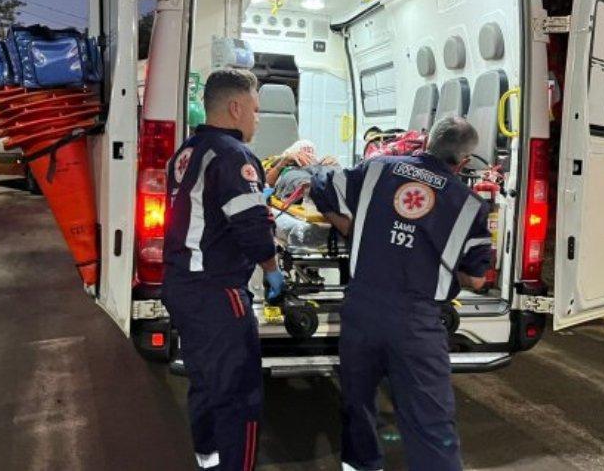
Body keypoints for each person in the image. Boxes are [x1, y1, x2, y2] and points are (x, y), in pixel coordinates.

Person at [310, 116, 491, 471]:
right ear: (465, 162)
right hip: (416, 323)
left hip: (362, 310)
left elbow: (321, 185)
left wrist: (353, 228)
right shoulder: (469, 205)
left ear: (425, 143)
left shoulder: (379, 168)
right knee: (430, 421)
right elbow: (478, 279)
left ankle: (362, 465)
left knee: (357, 401)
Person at [161, 68, 285, 471]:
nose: (257, 118)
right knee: (240, 394)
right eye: (255, 108)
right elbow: (252, 226)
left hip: (181, 284)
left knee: (205, 381)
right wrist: (271, 268)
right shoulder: (233, 155)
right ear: (236, 107)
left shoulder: (188, 151)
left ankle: (207, 457)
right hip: (218, 293)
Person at [265, 139, 339, 202]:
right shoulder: (284, 165)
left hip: (316, 173)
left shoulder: (317, 166)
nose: (307, 155)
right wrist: (285, 160)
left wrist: (333, 164)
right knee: (298, 179)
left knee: (333, 171)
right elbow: (268, 182)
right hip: (297, 176)